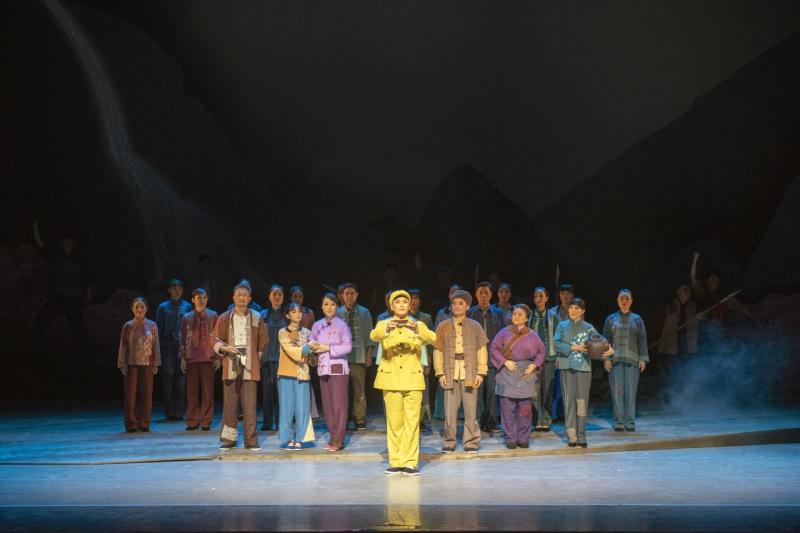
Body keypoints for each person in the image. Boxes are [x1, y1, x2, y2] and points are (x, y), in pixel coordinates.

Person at [371, 290, 436, 475]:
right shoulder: (384, 323)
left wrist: (417, 330)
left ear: (410, 306)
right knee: (394, 423)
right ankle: (396, 460)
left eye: (405, 302)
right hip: (391, 379)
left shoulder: (418, 324)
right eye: (397, 301)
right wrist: (387, 329)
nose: (401, 304)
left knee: (412, 423)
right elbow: (373, 335)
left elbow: (434, 339)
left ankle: (410, 462)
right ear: (391, 306)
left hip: (413, 379)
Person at [212, 283, 268, 451]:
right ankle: (229, 440)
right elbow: (214, 339)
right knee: (230, 405)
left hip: (250, 364)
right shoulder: (224, 317)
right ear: (233, 298)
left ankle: (251, 441)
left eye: (245, 295)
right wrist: (225, 348)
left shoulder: (257, 316)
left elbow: (263, 340)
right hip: (231, 361)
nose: (241, 298)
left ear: (250, 299)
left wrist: (258, 357)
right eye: (238, 295)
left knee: (250, 405)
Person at [432, 289, 488, 453]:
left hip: (469, 371)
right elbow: (437, 350)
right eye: (454, 303)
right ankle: (449, 441)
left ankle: (471, 441)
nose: (457, 306)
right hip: (450, 371)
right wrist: (440, 372)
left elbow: (482, 349)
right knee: (450, 411)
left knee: (471, 410)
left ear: (467, 306)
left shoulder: (475, 326)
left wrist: (481, 372)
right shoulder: (443, 326)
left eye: (461, 303)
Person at [554, 298, 613, 448]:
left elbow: (601, 341)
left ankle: (581, 436)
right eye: (571, 307)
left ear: (583, 311)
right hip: (567, 367)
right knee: (569, 403)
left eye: (576, 308)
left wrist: (609, 349)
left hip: (584, 368)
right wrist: (574, 347)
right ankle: (571, 436)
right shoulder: (562, 326)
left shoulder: (588, 327)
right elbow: (556, 343)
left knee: (582, 402)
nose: (573, 310)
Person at [490, 304, 546, 449]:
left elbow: (542, 351)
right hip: (507, 372)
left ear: (526, 318)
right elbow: (494, 349)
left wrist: (535, 365)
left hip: (525, 374)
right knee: (507, 409)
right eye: (514, 314)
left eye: (520, 314)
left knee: (525, 409)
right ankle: (510, 438)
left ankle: (523, 437)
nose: (516, 316)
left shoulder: (533, 335)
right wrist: (504, 362)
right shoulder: (504, 332)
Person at [32, 222, 92, 355]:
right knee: (42, 319)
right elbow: (41, 246)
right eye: (64, 242)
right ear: (61, 244)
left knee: (78, 327)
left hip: (73, 298)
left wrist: (88, 292)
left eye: (69, 242)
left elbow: (88, 276)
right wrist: (34, 225)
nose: (66, 245)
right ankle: (36, 349)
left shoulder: (80, 259)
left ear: (73, 244)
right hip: (59, 296)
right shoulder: (58, 258)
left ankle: (85, 353)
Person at [309, 293, 352, 451]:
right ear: (322, 307)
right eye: (326, 304)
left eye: (332, 304)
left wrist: (327, 348)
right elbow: (311, 341)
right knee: (327, 406)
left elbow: (347, 347)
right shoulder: (317, 325)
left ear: (337, 307)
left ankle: (339, 440)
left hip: (338, 368)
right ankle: (333, 437)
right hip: (323, 367)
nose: (329, 307)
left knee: (339, 405)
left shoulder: (342, 325)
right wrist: (313, 346)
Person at [603, 289, 649, 432]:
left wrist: (643, 359)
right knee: (617, 392)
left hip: (632, 361)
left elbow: (642, 339)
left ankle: (630, 422)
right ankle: (618, 422)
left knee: (630, 392)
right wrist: (606, 359)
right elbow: (605, 340)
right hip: (615, 360)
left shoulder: (637, 319)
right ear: (617, 300)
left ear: (631, 301)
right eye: (621, 298)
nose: (624, 301)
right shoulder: (610, 319)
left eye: (627, 298)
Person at [467, 281, 506, 433]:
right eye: (480, 293)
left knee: (492, 392)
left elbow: (504, 336)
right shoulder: (470, 313)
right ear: (476, 295)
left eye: (486, 293)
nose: (483, 296)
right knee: (475, 393)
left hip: (492, 360)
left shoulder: (498, 313)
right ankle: (475, 421)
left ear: (491, 295)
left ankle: (491, 422)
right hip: (474, 360)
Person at [117, 297, 160, 433]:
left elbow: (155, 344)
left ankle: (144, 423)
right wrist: (122, 363)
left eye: (142, 307)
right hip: (131, 364)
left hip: (147, 363)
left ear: (146, 309)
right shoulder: (128, 325)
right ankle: (131, 424)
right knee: (130, 396)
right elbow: (123, 345)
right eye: (136, 307)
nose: (139, 309)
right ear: (132, 309)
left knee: (146, 395)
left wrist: (156, 362)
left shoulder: (152, 325)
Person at [336, 282, 375, 431]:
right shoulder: (337, 313)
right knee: (342, 391)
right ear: (342, 296)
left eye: (352, 293)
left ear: (357, 295)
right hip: (341, 357)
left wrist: (369, 355)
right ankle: (344, 419)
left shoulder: (365, 312)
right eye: (347, 294)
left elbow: (370, 336)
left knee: (359, 390)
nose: (349, 296)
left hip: (359, 357)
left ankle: (359, 419)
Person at [179, 288, 219, 431]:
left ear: (207, 299)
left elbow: (218, 337)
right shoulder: (186, 317)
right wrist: (182, 358)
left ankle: (205, 421)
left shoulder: (213, 315)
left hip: (208, 357)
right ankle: (192, 420)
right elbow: (182, 338)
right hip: (191, 358)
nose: (201, 300)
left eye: (203, 297)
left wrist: (218, 357)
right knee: (192, 391)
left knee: (208, 391)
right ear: (193, 300)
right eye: (198, 297)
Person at [277, 303, 315, 450]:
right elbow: (291, 350)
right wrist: (308, 348)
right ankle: (286, 438)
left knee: (303, 408)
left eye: (300, 311)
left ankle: (300, 438)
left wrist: (315, 353)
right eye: (293, 311)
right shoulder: (283, 332)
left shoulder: (307, 332)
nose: (298, 314)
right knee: (286, 408)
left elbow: (311, 355)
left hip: (302, 373)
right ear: (287, 315)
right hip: (286, 373)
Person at [155, 278, 193, 421]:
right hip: (167, 347)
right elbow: (158, 328)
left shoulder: (187, 306)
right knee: (168, 379)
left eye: (180, 289)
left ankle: (179, 411)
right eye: (174, 288)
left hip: (182, 347)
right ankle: (169, 411)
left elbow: (190, 328)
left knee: (181, 380)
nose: (177, 291)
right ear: (169, 290)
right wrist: (158, 349)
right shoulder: (163, 307)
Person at [529, 287, 560, 432]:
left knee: (548, 389)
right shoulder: (530, 315)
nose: (538, 299)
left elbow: (558, 336)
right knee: (535, 390)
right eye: (536, 296)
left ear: (546, 298)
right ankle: (537, 419)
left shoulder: (553, 316)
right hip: (534, 358)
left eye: (541, 296)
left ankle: (546, 419)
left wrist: (558, 356)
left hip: (549, 357)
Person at [260, 284, 286, 431]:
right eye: (274, 294)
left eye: (279, 294)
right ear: (269, 297)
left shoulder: (287, 314)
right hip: (267, 359)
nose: (277, 297)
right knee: (267, 393)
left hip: (283, 359)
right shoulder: (262, 315)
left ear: (283, 297)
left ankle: (281, 422)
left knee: (282, 393)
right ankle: (267, 422)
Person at [409, 289, 433, 431]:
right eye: (411, 298)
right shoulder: (402, 317)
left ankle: (421, 420)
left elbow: (430, 341)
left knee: (423, 390)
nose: (414, 301)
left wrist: (428, 362)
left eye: (416, 298)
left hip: (422, 359)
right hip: (407, 359)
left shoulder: (426, 318)